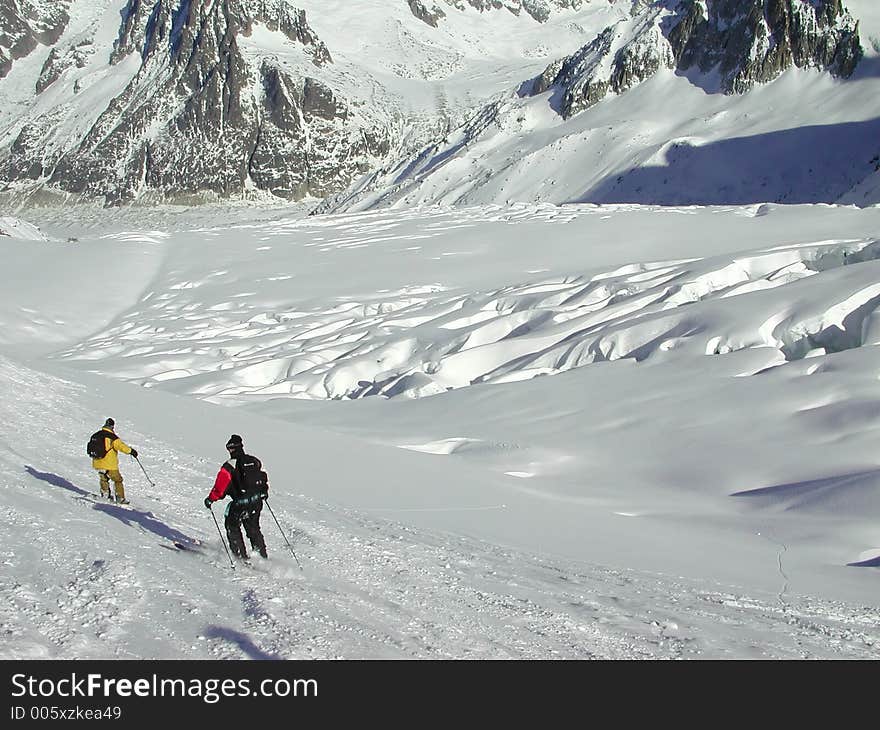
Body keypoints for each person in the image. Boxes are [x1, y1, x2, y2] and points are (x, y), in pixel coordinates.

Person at [204, 434, 269, 559]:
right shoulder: (254, 461)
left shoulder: (230, 465)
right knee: (253, 527)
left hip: (240, 502)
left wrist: (210, 499)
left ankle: (239, 556)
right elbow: (262, 477)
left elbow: (220, 486)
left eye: (229, 449)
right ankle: (261, 557)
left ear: (232, 449)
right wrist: (263, 492)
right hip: (256, 501)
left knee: (232, 526)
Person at [91, 418, 137, 504]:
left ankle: (105, 495)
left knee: (103, 479)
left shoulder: (96, 435)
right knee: (117, 480)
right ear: (112, 427)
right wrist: (131, 451)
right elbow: (121, 446)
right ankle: (120, 498)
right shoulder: (112, 437)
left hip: (97, 463)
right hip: (109, 464)